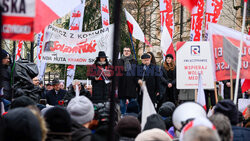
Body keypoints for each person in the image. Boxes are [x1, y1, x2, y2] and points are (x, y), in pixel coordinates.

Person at [117, 47, 138, 115]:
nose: (126, 52)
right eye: (125, 50)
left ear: (130, 52)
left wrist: (137, 85)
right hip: (122, 85)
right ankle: (123, 116)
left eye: (128, 51)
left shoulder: (134, 62)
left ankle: (133, 116)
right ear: (123, 52)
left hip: (132, 85)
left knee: (133, 103)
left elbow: (137, 74)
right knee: (122, 104)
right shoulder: (118, 61)